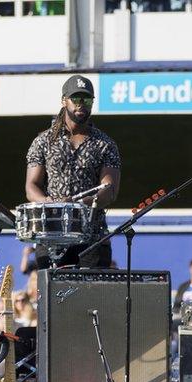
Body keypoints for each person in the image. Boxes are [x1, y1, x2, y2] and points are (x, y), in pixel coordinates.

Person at [25, 75, 121, 268]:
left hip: (91, 236)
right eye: (76, 99)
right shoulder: (43, 141)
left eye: (86, 100)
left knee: (93, 297)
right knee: (53, 296)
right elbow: (31, 186)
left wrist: (77, 204)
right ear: (64, 101)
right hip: (51, 235)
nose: (81, 105)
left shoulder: (105, 144)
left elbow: (109, 190)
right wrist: (49, 202)